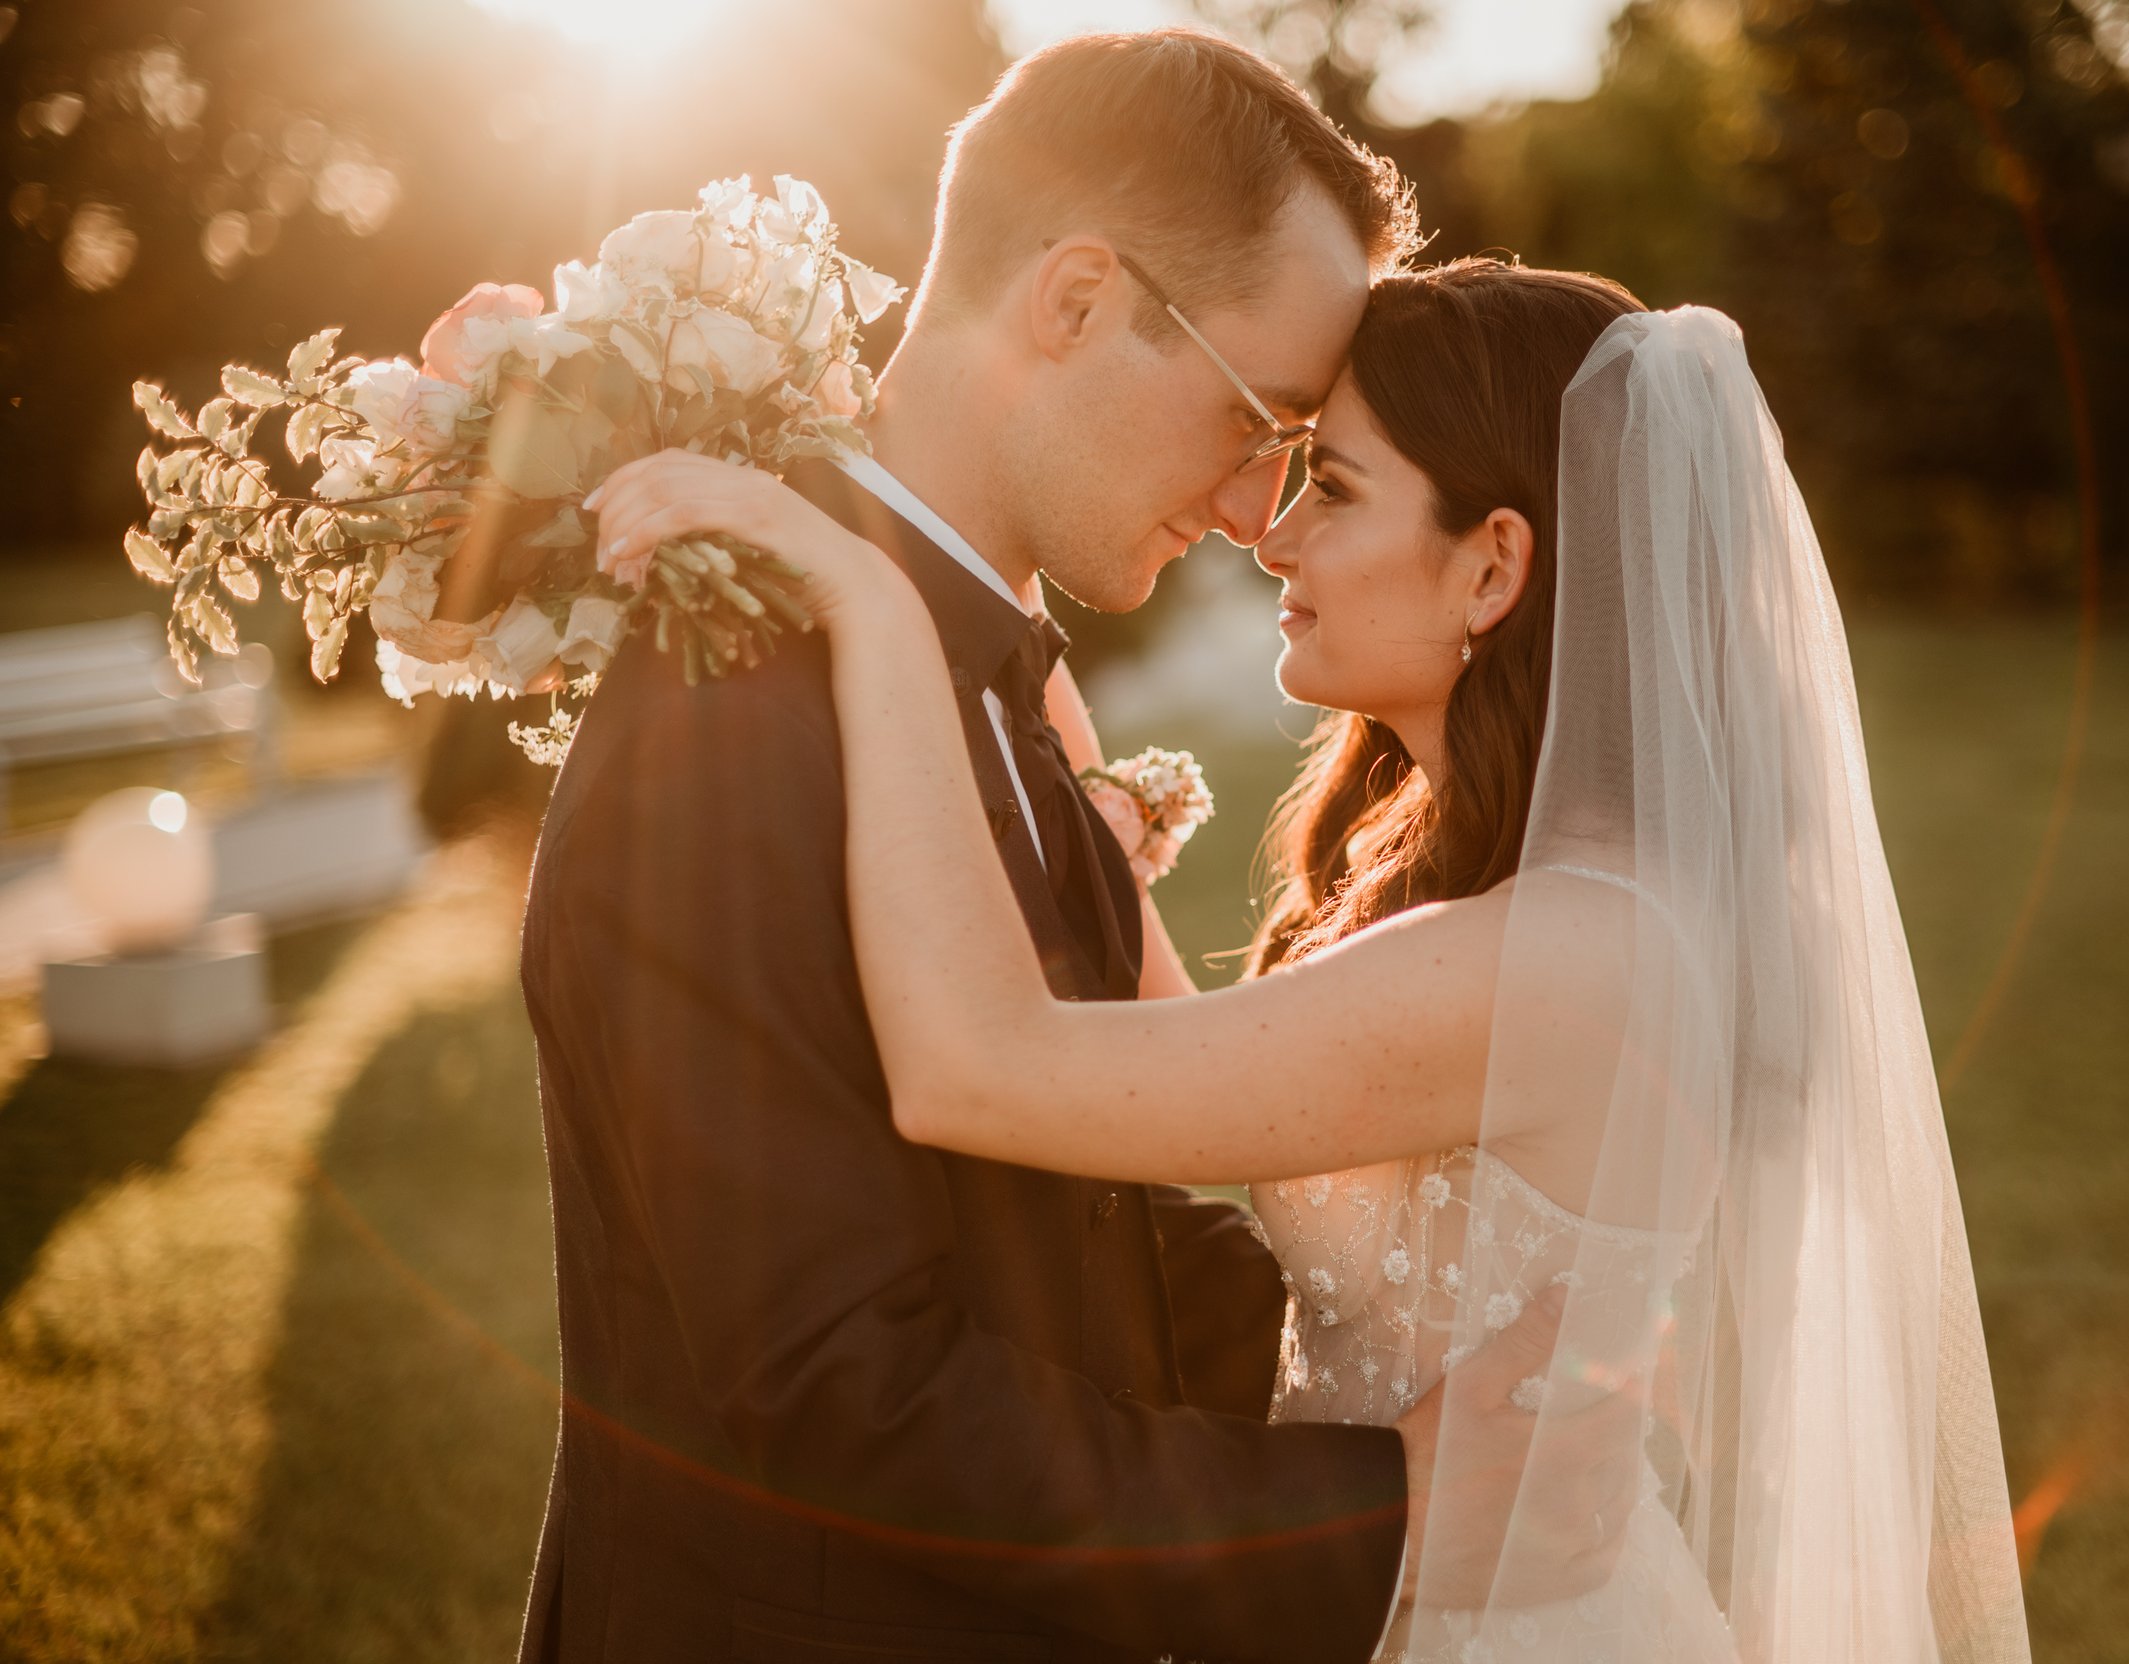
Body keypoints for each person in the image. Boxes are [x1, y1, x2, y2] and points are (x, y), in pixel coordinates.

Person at [588, 259, 2038, 1661]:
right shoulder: (1568, 910)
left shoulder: (1568, 958)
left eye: (1333, 487)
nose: (1272, 535)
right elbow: (1193, 1071)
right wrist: (1044, 748)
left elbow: (986, 1067)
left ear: (1493, 566)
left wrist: (872, 608)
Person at [520, 30, 1619, 1664]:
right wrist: (1373, 1506)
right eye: (1264, 418)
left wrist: (1381, 1326)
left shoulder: (994, 683)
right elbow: (841, 1384)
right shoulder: (739, 702)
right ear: (1077, 301)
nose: (1262, 510)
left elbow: (1055, 1231)